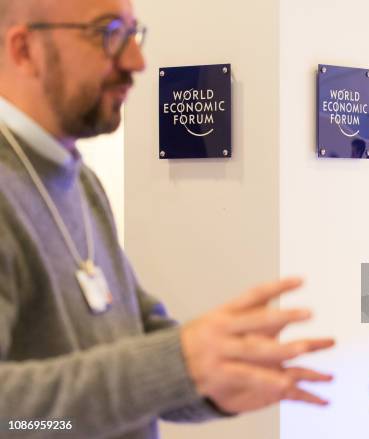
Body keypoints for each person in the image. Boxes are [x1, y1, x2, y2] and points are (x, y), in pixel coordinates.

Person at [0, 0, 334, 437]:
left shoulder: (80, 182)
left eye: (134, 35)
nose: (136, 61)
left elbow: (138, 343)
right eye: (108, 33)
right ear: (25, 49)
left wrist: (215, 381)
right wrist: (179, 364)